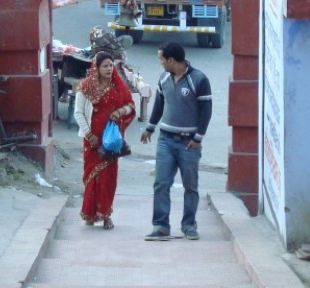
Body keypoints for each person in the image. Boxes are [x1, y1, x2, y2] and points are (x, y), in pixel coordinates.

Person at [140, 41, 212, 241]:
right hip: (166, 140)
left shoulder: (198, 80)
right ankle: (161, 226)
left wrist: (198, 139)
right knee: (161, 183)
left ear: (171, 60)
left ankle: (189, 225)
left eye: (161, 59)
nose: (160, 63)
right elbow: (159, 104)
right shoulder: (164, 78)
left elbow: (206, 111)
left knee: (190, 186)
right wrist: (150, 127)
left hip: (189, 143)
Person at [74, 51, 136, 230]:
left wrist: (119, 112)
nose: (109, 69)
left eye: (111, 65)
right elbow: (78, 112)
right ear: (97, 68)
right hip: (92, 139)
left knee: (109, 177)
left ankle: (106, 214)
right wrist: (89, 134)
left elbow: (130, 106)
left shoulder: (118, 86)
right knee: (92, 175)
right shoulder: (85, 87)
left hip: (111, 140)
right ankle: (90, 213)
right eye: (105, 66)